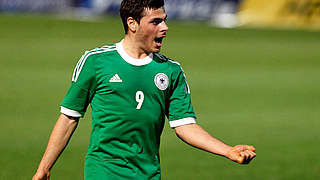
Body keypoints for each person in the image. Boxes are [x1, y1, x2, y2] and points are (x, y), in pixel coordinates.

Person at [32, 0, 256, 179]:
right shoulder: (96, 62)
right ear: (132, 23)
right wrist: (44, 168)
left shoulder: (170, 71)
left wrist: (227, 150)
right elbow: (69, 117)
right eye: (156, 22)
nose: (165, 28)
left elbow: (185, 126)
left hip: (148, 173)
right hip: (103, 171)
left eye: (165, 20)